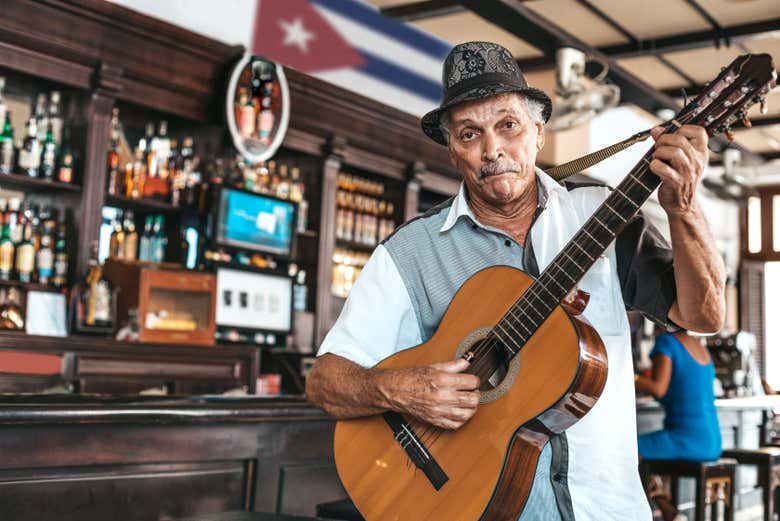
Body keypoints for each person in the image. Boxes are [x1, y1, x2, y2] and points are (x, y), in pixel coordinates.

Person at [306, 41, 725, 521]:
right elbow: (324, 383)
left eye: (508, 125)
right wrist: (400, 389)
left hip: (606, 509)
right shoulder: (409, 253)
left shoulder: (601, 215)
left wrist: (685, 208)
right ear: (451, 150)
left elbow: (704, 316)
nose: (492, 150)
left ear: (538, 132)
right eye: (469, 133)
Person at [636, 330, 722, 462]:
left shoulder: (667, 341)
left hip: (686, 439)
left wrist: (628, 377)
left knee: (624, 448)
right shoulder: (700, 347)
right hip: (713, 443)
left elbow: (658, 388)